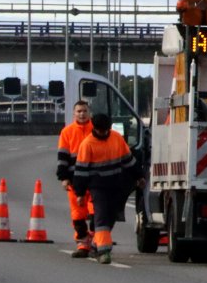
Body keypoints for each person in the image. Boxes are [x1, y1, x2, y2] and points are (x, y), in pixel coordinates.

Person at [72, 113, 145, 265]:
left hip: (115, 185)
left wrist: (139, 176)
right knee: (101, 216)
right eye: (100, 130)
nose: (103, 133)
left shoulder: (116, 138)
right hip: (98, 187)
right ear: (94, 128)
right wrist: (80, 193)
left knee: (112, 217)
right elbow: (81, 172)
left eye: (105, 130)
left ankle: (95, 245)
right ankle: (103, 251)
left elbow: (128, 161)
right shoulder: (87, 144)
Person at [56, 99, 95, 257]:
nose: (82, 114)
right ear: (74, 114)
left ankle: (95, 241)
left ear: (89, 113)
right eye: (79, 111)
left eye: (84, 111)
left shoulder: (96, 129)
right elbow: (62, 157)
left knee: (95, 212)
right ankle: (83, 244)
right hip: (74, 179)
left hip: (94, 178)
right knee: (78, 215)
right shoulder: (67, 132)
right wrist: (63, 178)